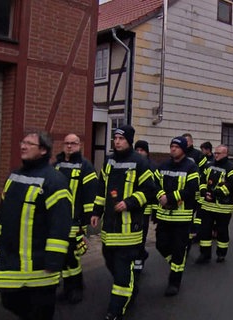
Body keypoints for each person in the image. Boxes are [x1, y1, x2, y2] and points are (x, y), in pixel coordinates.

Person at [0, 130, 72, 319]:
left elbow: (60, 225)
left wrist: (53, 260)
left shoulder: (54, 181)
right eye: (22, 142)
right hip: (11, 261)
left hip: (40, 266)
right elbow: (4, 218)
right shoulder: (14, 176)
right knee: (9, 301)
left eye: (29, 143)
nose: (23, 146)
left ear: (43, 150)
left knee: (39, 312)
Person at [91, 126, 155, 320]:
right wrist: (96, 211)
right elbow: (102, 188)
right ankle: (130, 285)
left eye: (121, 138)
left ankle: (115, 311)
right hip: (109, 228)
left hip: (130, 228)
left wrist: (129, 202)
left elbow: (149, 190)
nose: (117, 141)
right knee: (110, 261)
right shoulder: (109, 161)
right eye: (115, 138)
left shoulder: (140, 161)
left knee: (121, 272)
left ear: (129, 140)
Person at [53, 133, 98, 304]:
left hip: (74, 221)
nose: (70, 146)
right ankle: (68, 287)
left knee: (73, 256)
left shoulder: (85, 166)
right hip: (57, 220)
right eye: (67, 143)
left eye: (73, 143)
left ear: (79, 145)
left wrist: (84, 224)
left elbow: (90, 195)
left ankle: (76, 287)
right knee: (62, 256)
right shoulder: (56, 165)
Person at [154, 136, 199, 296]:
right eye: (171, 146)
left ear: (183, 149)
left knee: (179, 249)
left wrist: (171, 198)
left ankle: (174, 282)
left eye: (176, 147)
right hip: (164, 215)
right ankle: (176, 263)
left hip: (182, 217)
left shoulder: (191, 167)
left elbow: (192, 188)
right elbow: (155, 183)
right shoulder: (163, 165)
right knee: (160, 244)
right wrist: (161, 196)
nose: (173, 149)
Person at [195, 145, 233, 264]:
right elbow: (202, 180)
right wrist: (204, 192)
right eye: (215, 153)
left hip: (223, 207)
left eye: (219, 153)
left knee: (222, 231)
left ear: (226, 154)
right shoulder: (208, 165)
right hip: (207, 205)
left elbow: (230, 186)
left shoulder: (232, 168)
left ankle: (221, 253)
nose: (216, 155)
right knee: (205, 231)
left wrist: (214, 194)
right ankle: (204, 254)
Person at [134, 139, 157, 277]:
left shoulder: (152, 167)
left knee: (141, 237)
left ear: (147, 152)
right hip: (132, 207)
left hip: (146, 209)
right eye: (137, 150)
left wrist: (155, 211)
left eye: (142, 150)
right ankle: (139, 255)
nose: (139, 153)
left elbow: (154, 190)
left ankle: (138, 262)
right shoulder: (131, 164)